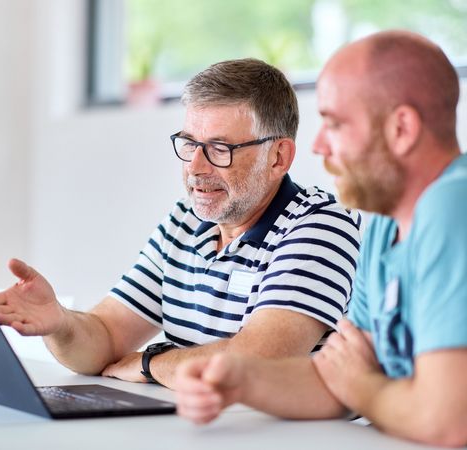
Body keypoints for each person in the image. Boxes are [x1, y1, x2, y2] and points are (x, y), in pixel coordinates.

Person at [0, 59, 361, 389]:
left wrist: (152, 363)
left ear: (278, 157)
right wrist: (60, 323)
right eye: (189, 144)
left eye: (219, 149)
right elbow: (103, 339)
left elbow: (258, 361)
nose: (196, 168)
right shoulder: (185, 221)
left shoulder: (321, 228)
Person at [174, 31, 467, 447]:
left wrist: (363, 388)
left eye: (335, 123)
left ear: (401, 128)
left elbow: (446, 420)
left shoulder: (454, 207)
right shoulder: (387, 223)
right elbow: (337, 378)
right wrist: (240, 378)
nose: (317, 145)